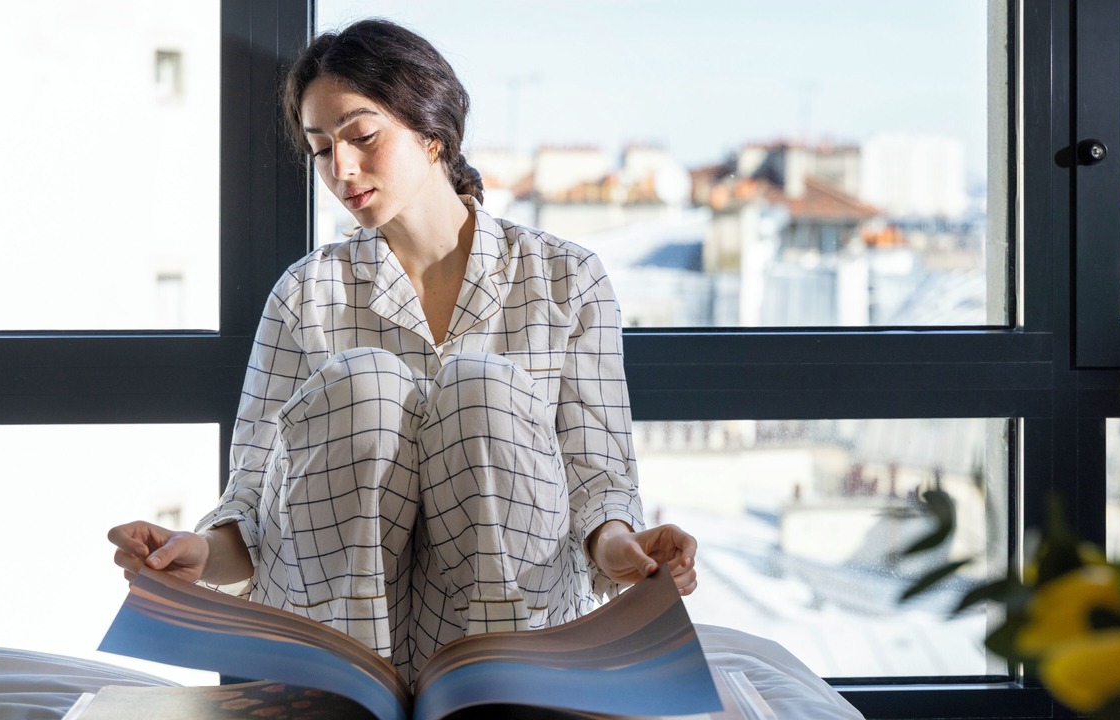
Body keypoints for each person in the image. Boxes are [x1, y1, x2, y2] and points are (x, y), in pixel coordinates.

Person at [108, 17, 697, 685]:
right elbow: (252, 498)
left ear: (431, 131)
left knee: (481, 388)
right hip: (334, 634)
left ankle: (502, 690)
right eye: (321, 149)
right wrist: (196, 552)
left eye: (361, 137)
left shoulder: (568, 278)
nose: (342, 169)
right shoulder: (307, 292)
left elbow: (597, 477)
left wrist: (623, 550)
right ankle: (347, 691)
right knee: (366, 385)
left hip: (512, 630)